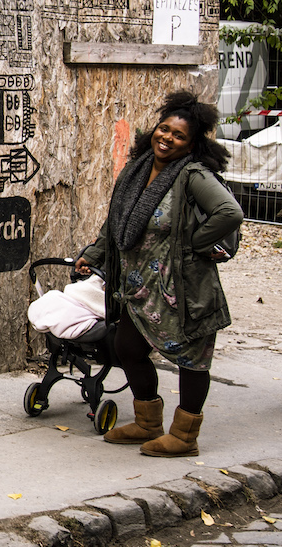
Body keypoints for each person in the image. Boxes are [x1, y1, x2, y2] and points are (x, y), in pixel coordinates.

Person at [75, 90, 244, 457]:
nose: (167, 138)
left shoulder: (193, 175)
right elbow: (116, 222)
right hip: (139, 287)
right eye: (163, 129)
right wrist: (94, 254)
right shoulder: (138, 169)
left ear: (192, 144)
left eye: (178, 135)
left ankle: (185, 436)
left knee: (191, 358)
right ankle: (148, 423)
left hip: (180, 288)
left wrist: (191, 243)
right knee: (127, 348)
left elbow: (229, 213)